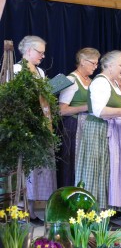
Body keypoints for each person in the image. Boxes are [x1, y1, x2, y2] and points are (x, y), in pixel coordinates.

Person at [75, 50, 121, 211]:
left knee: (107, 171)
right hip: (97, 130)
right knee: (96, 171)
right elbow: (99, 111)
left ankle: (102, 213)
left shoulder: (114, 84)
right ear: (109, 65)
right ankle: (89, 214)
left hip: (111, 130)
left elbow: (112, 111)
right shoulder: (100, 82)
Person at [12, 35, 56, 225]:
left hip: (39, 123)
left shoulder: (39, 72)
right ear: (28, 51)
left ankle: (30, 210)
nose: (43, 56)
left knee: (36, 169)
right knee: (23, 168)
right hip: (24, 124)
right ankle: (19, 210)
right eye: (40, 52)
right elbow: (13, 98)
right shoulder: (16, 69)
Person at [57, 47, 100, 188]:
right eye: (93, 63)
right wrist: (86, 107)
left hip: (89, 127)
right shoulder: (71, 80)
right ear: (82, 61)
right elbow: (61, 110)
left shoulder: (92, 81)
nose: (95, 66)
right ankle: (69, 204)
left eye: (97, 63)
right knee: (72, 164)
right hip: (73, 127)